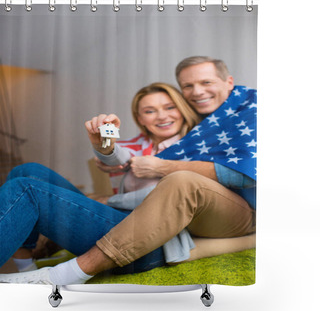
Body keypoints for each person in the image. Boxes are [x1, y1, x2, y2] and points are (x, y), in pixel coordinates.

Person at [0, 57, 256, 285]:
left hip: (147, 233)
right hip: (116, 215)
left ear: (182, 108)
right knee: (28, 171)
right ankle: (25, 265)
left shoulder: (199, 141)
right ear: (140, 118)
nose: (161, 116)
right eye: (149, 111)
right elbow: (120, 158)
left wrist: (113, 194)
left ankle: (61, 271)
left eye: (169, 107)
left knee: (27, 190)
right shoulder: (141, 144)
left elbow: (188, 192)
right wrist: (104, 144)